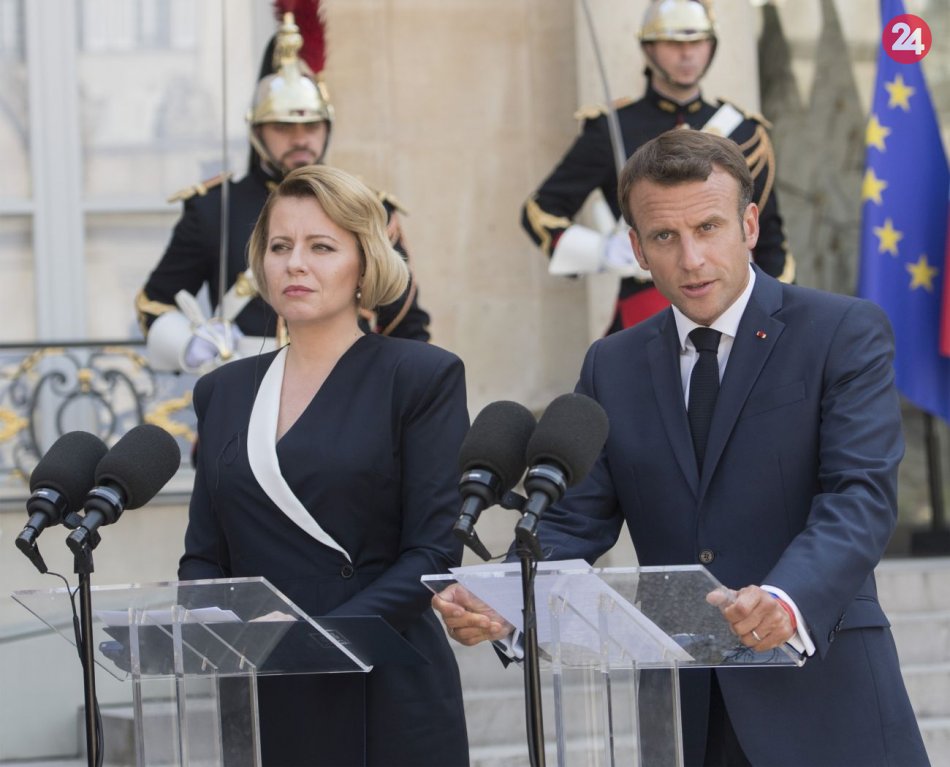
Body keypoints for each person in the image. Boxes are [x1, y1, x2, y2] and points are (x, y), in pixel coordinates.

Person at [436, 130, 929, 766]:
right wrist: (506, 601)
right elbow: (575, 519)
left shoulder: (841, 332)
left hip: (825, 701)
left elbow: (859, 496)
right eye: (665, 236)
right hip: (682, 711)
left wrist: (787, 598)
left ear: (749, 225)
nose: (691, 258)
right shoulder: (612, 364)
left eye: (708, 227)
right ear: (637, 248)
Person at [179, 164, 470, 766]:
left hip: (384, 683)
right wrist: (216, 623)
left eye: (321, 247)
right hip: (261, 686)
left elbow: (434, 552)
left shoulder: (421, 375)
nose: (295, 264)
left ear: (365, 262)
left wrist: (319, 638)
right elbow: (205, 554)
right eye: (279, 247)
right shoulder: (222, 391)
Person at [136, 10, 429, 375]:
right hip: (247, 384)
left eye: (312, 126)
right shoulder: (214, 207)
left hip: (347, 383)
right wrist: (188, 343)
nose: (301, 139)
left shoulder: (369, 208)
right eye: (283, 127)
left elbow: (405, 323)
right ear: (258, 132)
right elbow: (154, 304)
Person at [521, 0, 794, 334]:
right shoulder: (614, 127)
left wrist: (780, 316)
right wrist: (603, 251)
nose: (687, 54)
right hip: (645, 305)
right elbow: (541, 210)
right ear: (649, 48)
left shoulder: (744, 130)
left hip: (733, 307)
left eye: (698, 42)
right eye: (673, 43)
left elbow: (769, 238)